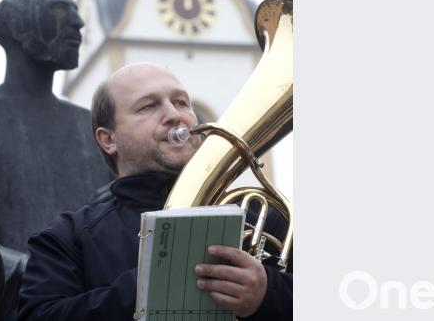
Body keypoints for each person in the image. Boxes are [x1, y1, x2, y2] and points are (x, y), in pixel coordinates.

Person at [17, 63, 292, 321]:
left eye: (182, 102)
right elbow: (39, 314)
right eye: (148, 106)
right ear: (108, 139)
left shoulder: (262, 216)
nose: (175, 115)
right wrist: (145, 286)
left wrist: (268, 292)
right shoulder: (66, 237)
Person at [0, 0, 111, 253]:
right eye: (58, 10)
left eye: (76, 11)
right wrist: (38, 274)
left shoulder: (92, 128)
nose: (78, 23)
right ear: (16, 25)